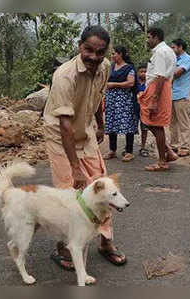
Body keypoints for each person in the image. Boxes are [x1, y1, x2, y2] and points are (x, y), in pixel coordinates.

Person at [43, 25, 127, 271]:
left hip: (85, 131)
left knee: (103, 187)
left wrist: (100, 125)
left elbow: (97, 98)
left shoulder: (105, 67)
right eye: (88, 50)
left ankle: (106, 242)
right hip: (60, 136)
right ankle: (63, 246)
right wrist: (75, 168)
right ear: (80, 47)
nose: (93, 56)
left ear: (106, 52)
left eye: (99, 52)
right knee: (69, 193)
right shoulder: (64, 76)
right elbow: (65, 126)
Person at [138, 27, 178, 171]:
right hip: (160, 86)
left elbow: (160, 76)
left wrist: (155, 99)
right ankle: (168, 151)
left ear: (156, 38)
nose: (147, 40)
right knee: (149, 121)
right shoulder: (167, 51)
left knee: (156, 123)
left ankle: (162, 161)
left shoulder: (161, 52)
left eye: (149, 37)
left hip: (158, 87)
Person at [103, 46, 139, 162]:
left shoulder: (129, 68)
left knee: (127, 124)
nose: (112, 56)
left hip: (124, 100)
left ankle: (129, 151)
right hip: (111, 100)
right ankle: (112, 150)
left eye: (114, 54)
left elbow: (130, 83)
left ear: (121, 54)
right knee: (111, 123)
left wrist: (113, 84)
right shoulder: (111, 67)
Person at [170, 39, 190, 157]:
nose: (172, 49)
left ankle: (185, 147)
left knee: (183, 122)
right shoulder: (175, 59)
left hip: (181, 95)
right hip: (171, 94)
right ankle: (174, 145)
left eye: (173, 47)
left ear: (180, 47)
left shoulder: (187, 59)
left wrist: (167, 72)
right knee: (172, 123)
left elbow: (177, 73)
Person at [136, 63, 150, 157]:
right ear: (137, 72)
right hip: (135, 108)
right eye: (141, 71)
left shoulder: (149, 83)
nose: (143, 74)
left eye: (145, 72)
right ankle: (128, 147)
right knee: (132, 127)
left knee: (144, 128)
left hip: (145, 109)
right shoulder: (134, 83)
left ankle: (143, 146)